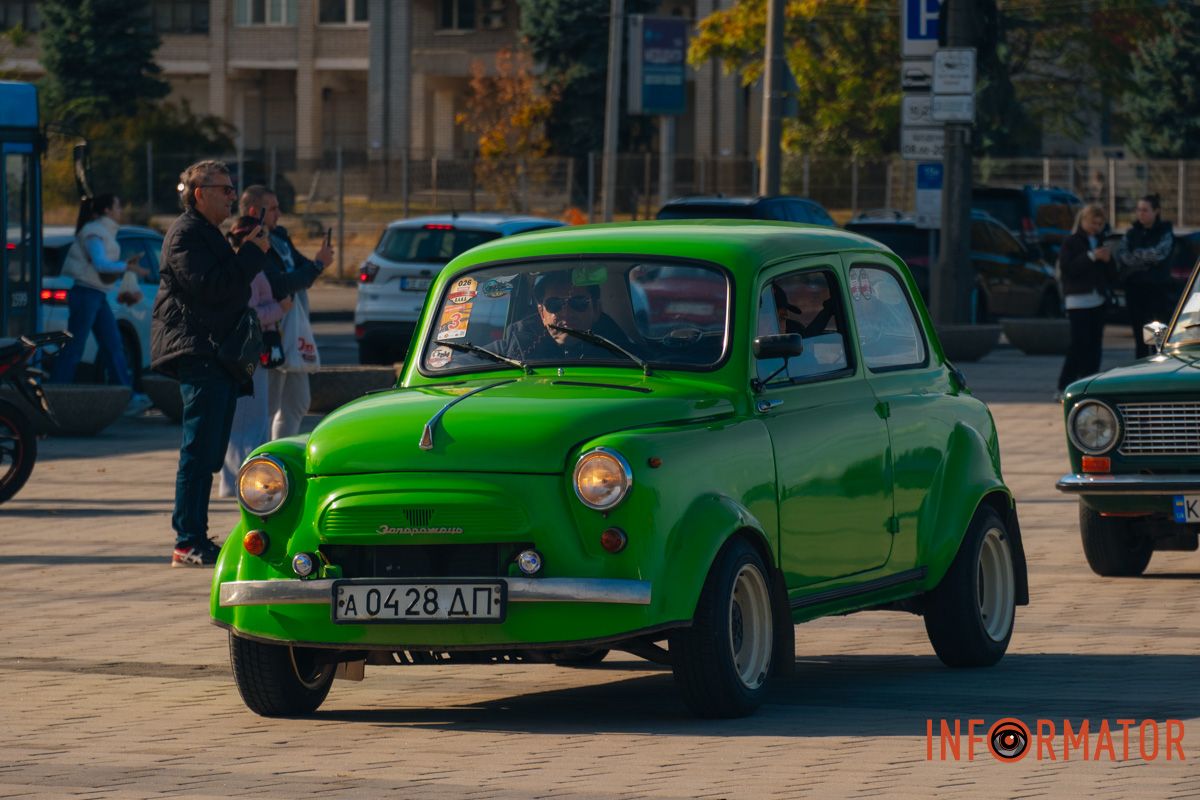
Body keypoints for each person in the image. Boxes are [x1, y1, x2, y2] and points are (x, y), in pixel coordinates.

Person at [151, 160, 269, 568]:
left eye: (233, 188)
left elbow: (225, 284)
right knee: (199, 450)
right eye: (225, 189)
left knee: (211, 450)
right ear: (200, 193)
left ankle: (195, 536)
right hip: (198, 352)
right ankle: (187, 540)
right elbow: (214, 288)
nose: (232, 196)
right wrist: (250, 254)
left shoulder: (206, 233)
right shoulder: (185, 235)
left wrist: (245, 251)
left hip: (216, 353)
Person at [238, 186, 331, 439]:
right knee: (271, 403)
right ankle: (266, 461)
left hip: (294, 323)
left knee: (299, 400)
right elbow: (280, 283)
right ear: (255, 211)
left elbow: (303, 272)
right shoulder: (250, 240)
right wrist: (316, 266)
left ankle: (281, 453)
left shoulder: (279, 236)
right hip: (273, 328)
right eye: (274, 208)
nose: (280, 213)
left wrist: (316, 265)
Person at [50, 194, 154, 416]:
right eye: (117, 206)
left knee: (113, 344)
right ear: (107, 210)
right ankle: (54, 398)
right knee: (75, 347)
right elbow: (100, 263)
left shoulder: (101, 231)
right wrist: (127, 267)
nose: (121, 210)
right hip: (86, 294)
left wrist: (125, 266)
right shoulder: (94, 232)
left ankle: (128, 396)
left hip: (96, 295)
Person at [217, 215, 291, 499]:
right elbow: (248, 315)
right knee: (249, 420)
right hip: (248, 354)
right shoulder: (248, 271)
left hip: (247, 353)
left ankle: (241, 480)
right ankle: (246, 482)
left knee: (249, 420)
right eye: (263, 238)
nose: (268, 243)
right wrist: (280, 308)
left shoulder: (245, 268)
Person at [493, 271, 634, 361]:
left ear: (596, 310)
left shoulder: (626, 356)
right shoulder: (511, 350)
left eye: (578, 303)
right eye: (554, 304)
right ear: (542, 313)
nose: (566, 313)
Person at [1057, 204, 1115, 398]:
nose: (1096, 227)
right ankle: (1064, 384)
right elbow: (1068, 268)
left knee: (1095, 345)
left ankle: (1090, 383)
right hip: (1077, 300)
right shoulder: (1072, 241)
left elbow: (1111, 273)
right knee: (1078, 344)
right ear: (1083, 221)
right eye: (1093, 222)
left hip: (1097, 299)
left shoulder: (1101, 240)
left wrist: (1108, 260)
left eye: (1100, 224)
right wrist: (1091, 256)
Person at [1117, 194, 1175, 359]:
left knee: (1158, 336)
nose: (1140, 213)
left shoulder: (1164, 232)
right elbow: (1123, 255)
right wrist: (1144, 259)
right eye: (1138, 210)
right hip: (1135, 290)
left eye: (1145, 210)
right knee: (1139, 336)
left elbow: (1159, 254)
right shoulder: (1131, 233)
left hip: (1157, 291)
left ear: (1156, 211)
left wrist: (1137, 257)